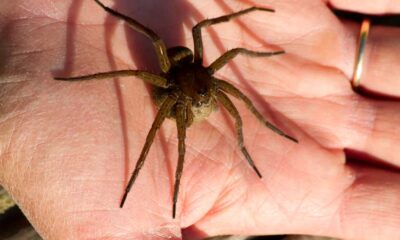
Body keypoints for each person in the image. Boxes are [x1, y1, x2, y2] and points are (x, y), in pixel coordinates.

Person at [0, 0, 399, 239]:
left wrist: (257, 129)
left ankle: (260, 135)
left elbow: (224, 50)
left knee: (239, 103)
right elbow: (148, 59)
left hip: (192, 74)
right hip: (175, 81)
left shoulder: (214, 81)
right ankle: (140, 163)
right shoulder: (169, 87)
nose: (209, 95)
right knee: (161, 82)